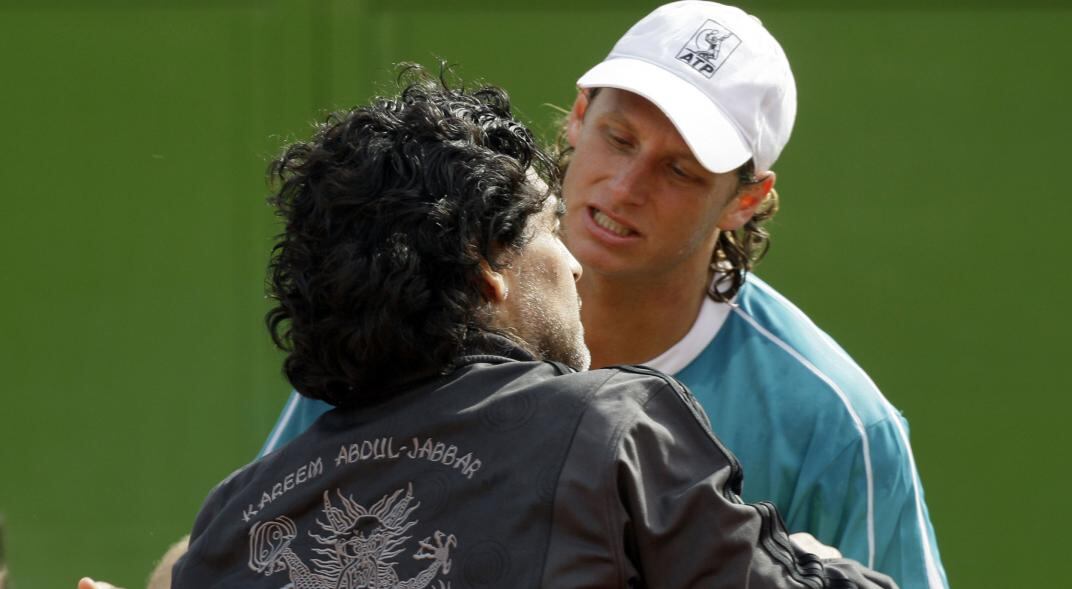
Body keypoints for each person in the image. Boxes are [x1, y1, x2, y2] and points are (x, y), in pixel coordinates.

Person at [260, 3, 947, 589]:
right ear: (579, 118)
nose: (623, 187)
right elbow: (253, 545)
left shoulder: (837, 424)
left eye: (678, 168)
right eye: (617, 137)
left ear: (746, 199)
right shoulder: (408, 321)